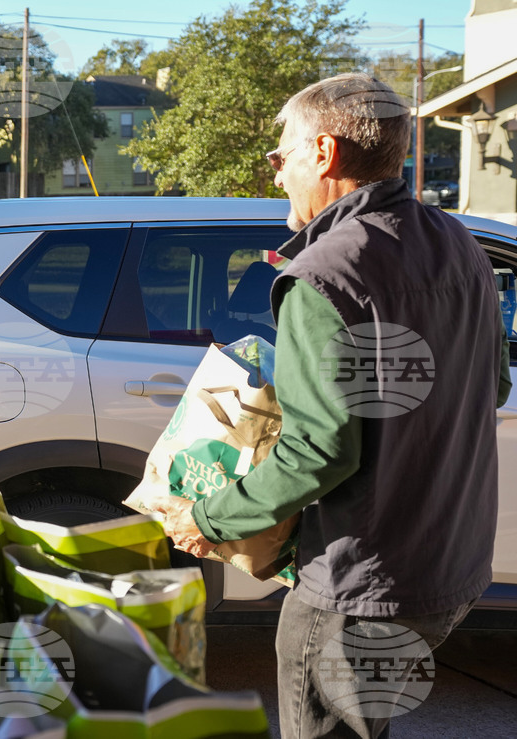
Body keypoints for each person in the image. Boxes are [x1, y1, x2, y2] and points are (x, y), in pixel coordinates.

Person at [154, 74, 511, 738]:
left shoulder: (324, 274)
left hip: (355, 589)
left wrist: (210, 516)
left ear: (323, 153)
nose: (276, 173)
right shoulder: (461, 244)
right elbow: (493, 389)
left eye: (280, 155)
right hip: (450, 570)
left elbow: (320, 452)